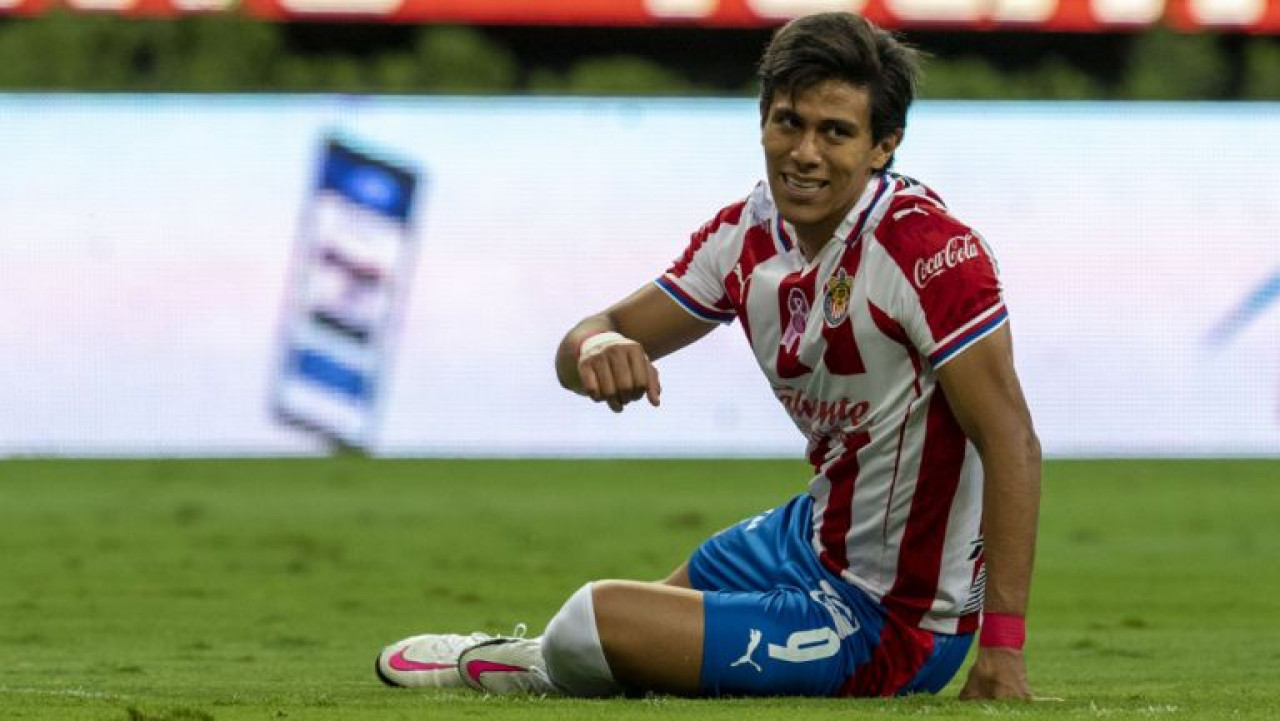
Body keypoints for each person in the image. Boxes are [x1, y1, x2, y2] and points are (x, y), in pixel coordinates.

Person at [375, 11, 1041, 701]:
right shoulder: (745, 236)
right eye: (789, 123)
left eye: (836, 132)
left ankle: (526, 660)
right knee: (643, 626)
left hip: (893, 617)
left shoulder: (930, 254)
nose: (804, 153)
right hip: (807, 537)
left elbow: (1011, 439)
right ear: (762, 120)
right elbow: (584, 342)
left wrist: (1002, 649)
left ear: (883, 146)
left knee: (592, 621)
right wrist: (600, 346)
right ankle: (540, 660)